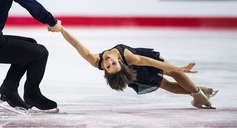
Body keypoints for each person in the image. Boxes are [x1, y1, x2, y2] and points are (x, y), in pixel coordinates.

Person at [52, 26, 217, 109]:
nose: (108, 60)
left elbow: (76, 44)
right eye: (112, 64)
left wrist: (60, 28)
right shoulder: (129, 57)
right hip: (138, 69)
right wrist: (177, 68)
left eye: (108, 65)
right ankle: (198, 93)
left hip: (134, 71)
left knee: (167, 82)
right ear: (122, 63)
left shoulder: (95, 60)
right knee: (169, 77)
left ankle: (198, 94)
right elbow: (152, 63)